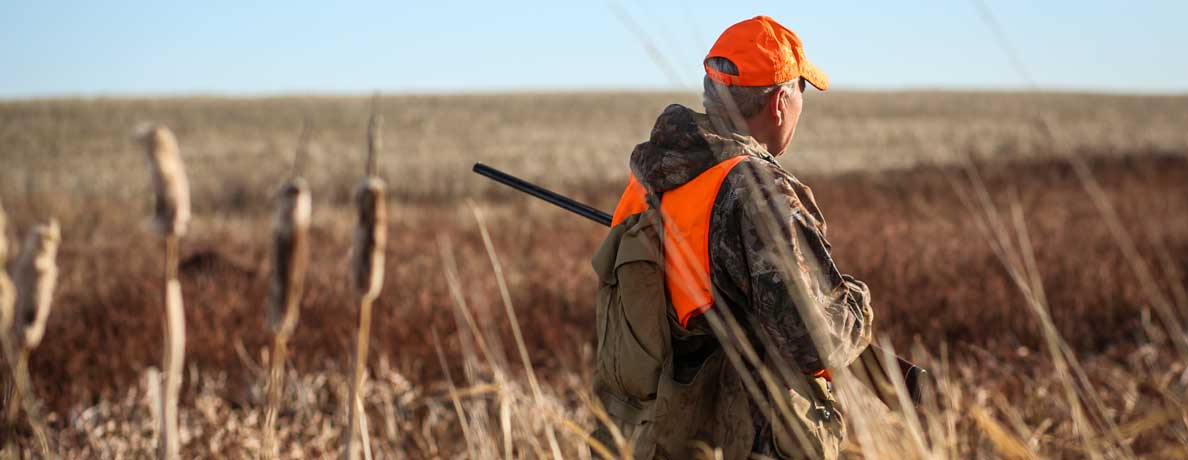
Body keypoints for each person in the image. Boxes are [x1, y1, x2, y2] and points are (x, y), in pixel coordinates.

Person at [600, 16, 874, 459]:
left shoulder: (651, 178)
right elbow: (814, 340)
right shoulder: (757, 192)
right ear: (780, 102)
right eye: (801, 92)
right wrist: (857, 303)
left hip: (656, 438)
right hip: (741, 440)